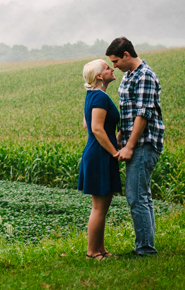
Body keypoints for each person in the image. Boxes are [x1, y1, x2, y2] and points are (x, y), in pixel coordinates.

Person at [106, 37, 165, 257]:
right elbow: (130, 110)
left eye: (115, 61)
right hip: (134, 139)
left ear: (126, 55)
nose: (114, 66)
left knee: (136, 195)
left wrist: (129, 146)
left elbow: (144, 113)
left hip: (144, 142)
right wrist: (122, 132)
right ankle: (146, 244)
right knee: (142, 195)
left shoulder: (145, 76)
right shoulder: (128, 75)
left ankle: (145, 249)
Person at [77, 58, 122, 260]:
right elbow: (95, 128)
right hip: (100, 155)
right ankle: (92, 253)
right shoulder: (101, 98)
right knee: (98, 207)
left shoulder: (92, 96)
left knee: (102, 206)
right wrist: (115, 151)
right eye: (106, 67)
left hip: (97, 153)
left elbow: (88, 125)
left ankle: (101, 250)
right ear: (99, 76)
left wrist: (115, 137)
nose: (111, 68)